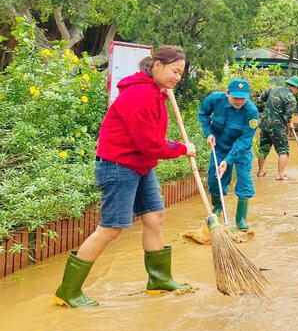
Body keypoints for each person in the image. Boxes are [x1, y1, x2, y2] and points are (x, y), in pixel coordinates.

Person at [54, 46, 196, 308]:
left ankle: (159, 279)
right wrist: (182, 148)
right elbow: (150, 144)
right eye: (175, 71)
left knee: (155, 217)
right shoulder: (141, 94)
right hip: (119, 166)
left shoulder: (155, 93)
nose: (178, 77)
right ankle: (68, 290)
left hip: (140, 165)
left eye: (181, 73)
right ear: (157, 66)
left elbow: (149, 144)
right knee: (111, 228)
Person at [199, 78, 259, 230]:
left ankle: (241, 218)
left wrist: (229, 160)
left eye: (243, 98)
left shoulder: (251, 112)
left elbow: (245, 139)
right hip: (219, 146)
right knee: (215, 177)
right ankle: (218, 206)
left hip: (241, 149)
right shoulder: (214, 99)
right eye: (236, 97)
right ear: (227, 93)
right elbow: (203, 114)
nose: (239, 101)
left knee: (244, 179)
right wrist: (208, 133)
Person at [257, 76, 298, 181]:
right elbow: (287, 117)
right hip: (277, 127)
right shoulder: (291, 98)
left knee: (263, 148)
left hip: (265, 124)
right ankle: (280, 174)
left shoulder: (273, 89)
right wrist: (290, 123)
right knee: (284, 150)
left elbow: (261, 98)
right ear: (295, 87)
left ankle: (260, 172)